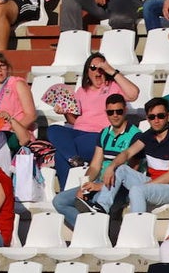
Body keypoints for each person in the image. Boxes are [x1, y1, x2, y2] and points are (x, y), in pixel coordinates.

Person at [48, 51, 140, 188]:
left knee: (60, 154)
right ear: (87, 71)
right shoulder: (81, 91)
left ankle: (68, 188)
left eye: (101, 68)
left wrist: (112, 71)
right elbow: (75, 121)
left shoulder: (113, 87)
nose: (98, 71)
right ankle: (72, 163)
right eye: (93, 68)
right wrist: (65, 112)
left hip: (99, 136)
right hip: (78, 132)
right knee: (53, 130)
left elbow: (134, 94)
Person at [52, 93, 139, 228]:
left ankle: (93, 232)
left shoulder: (135, 135)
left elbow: (132, 172)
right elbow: (94, 166)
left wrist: (100, 187)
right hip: (99, 183)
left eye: (119, 111)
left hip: (119, 189)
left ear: (125, 111)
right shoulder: (104, 133)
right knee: (59, 201)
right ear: (106, 113)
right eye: (111, 112)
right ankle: (88, 230)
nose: (115, 115)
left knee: (98, 202)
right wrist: (85, 185)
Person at [92, 97, 169, 215]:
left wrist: (146, 186)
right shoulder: (149, 135)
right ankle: (102, 207)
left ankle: (137, 225)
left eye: (160, 116)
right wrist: (111, 167)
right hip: (154, 181)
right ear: (147, 118)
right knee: (121, 169)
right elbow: (127, 153)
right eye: (152, 117)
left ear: (167, 116)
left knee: (137, 190)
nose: (156, 120)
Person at [0, 53, 36, 146]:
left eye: (2, 65)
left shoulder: (17, 84)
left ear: (7, 68)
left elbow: (31, 115)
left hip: (15, 133)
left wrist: (12, 130)